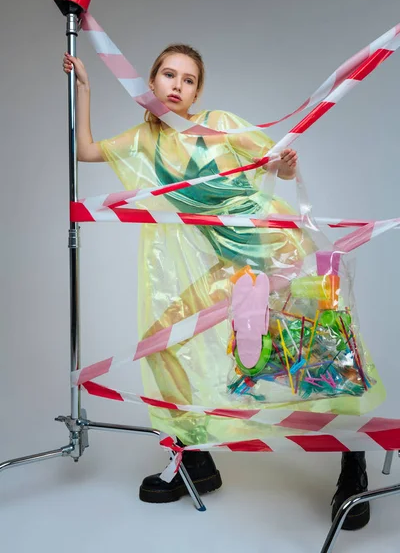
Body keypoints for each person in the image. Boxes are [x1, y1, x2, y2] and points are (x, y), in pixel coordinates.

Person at [63, 44, 369, 530]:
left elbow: (275, 164)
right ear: (152, 81)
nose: (177, 86)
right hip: (231, 267)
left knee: (316, 353)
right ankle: (197, 457)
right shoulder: (145, 141)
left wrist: (286, 166)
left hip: (274, 249)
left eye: (187, 80)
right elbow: (84, 151)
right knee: (165, 340)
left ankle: (354, 463)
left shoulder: (219, 124)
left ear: (197, 91)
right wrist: (84, 87)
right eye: (168, 75)